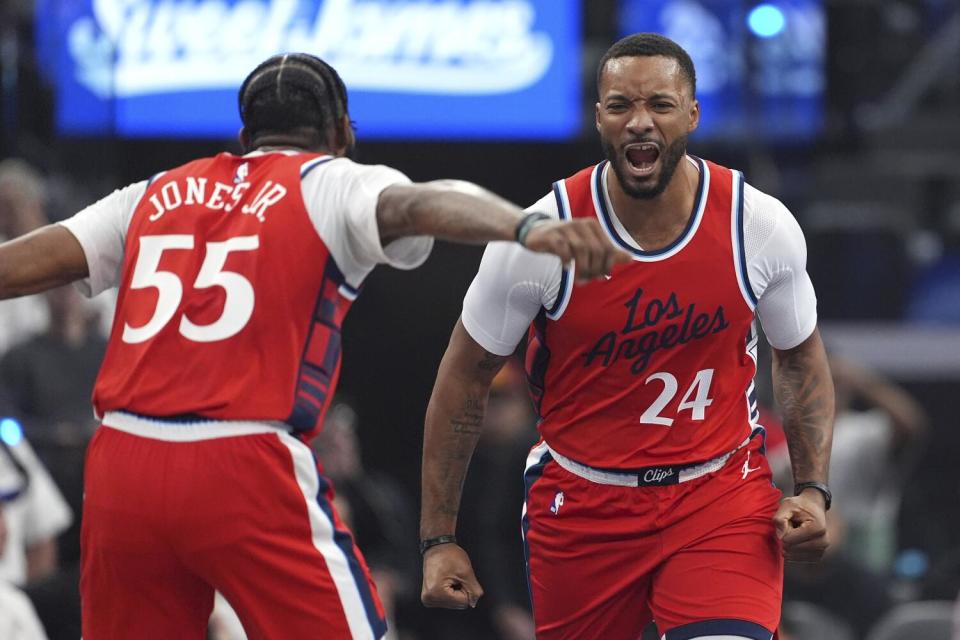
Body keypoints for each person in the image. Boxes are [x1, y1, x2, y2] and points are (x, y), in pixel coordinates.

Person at [0, 53, 628, 640]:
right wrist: (524, 223)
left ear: (245, 136)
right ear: (341, 133)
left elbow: (25, 263)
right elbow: (423, 202)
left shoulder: (155, 191)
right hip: (239, 460)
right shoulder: (329, 181)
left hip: (121, 463)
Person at [420, 33, 836, 640]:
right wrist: (438, 538)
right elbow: (465, 377)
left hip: (717, 492)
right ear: (599, 117)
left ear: (692, 113)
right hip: (584, 504)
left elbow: (799, 358)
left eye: (660, 105)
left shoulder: (758, 224)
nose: (640, 122)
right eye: (620, 106)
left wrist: (814, 490)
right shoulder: (544, 235)